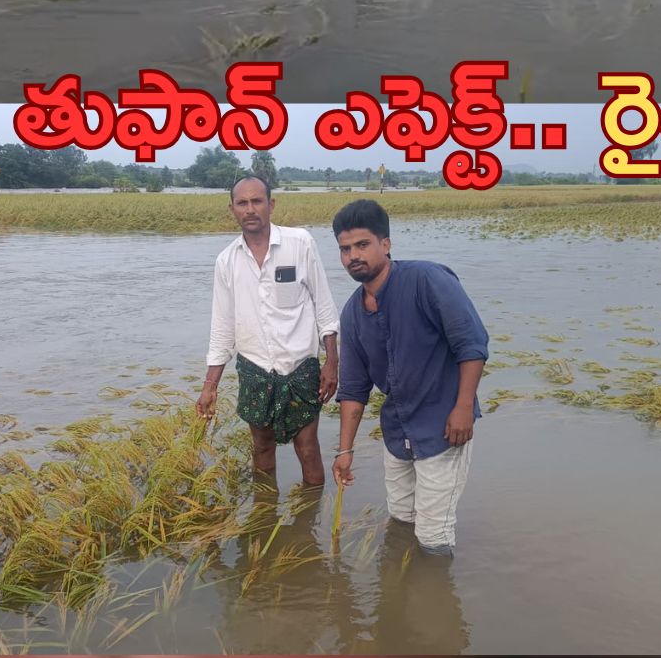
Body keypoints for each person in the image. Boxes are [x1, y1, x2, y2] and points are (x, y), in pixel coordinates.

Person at [329, 198, 490, 556]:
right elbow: (354, 389)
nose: (353, 255)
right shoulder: (352, 314)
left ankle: (434, 598)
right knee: (401, 519)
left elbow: (472, 344)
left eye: (362, 245)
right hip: (398, 431)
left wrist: (463, 407)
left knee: (434, 536)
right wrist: (344, 451)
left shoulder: (427, 280)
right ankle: (399, 596)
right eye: (344, 249)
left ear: (386, 244)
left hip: (442, 426)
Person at [197, 175, 340, 488]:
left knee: (308, 447)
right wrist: (210, 385)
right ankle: (264, 517)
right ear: (232, 209)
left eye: (257, 201)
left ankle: (309, 524)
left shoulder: (299, 243)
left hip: (301, 368)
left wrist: (331, 362)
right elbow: (222, 329)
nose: (250, 209)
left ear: (271, 205)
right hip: (255, 369)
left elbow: (324, 306)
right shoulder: (226, 261)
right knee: (261, 447)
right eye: (242, 203)